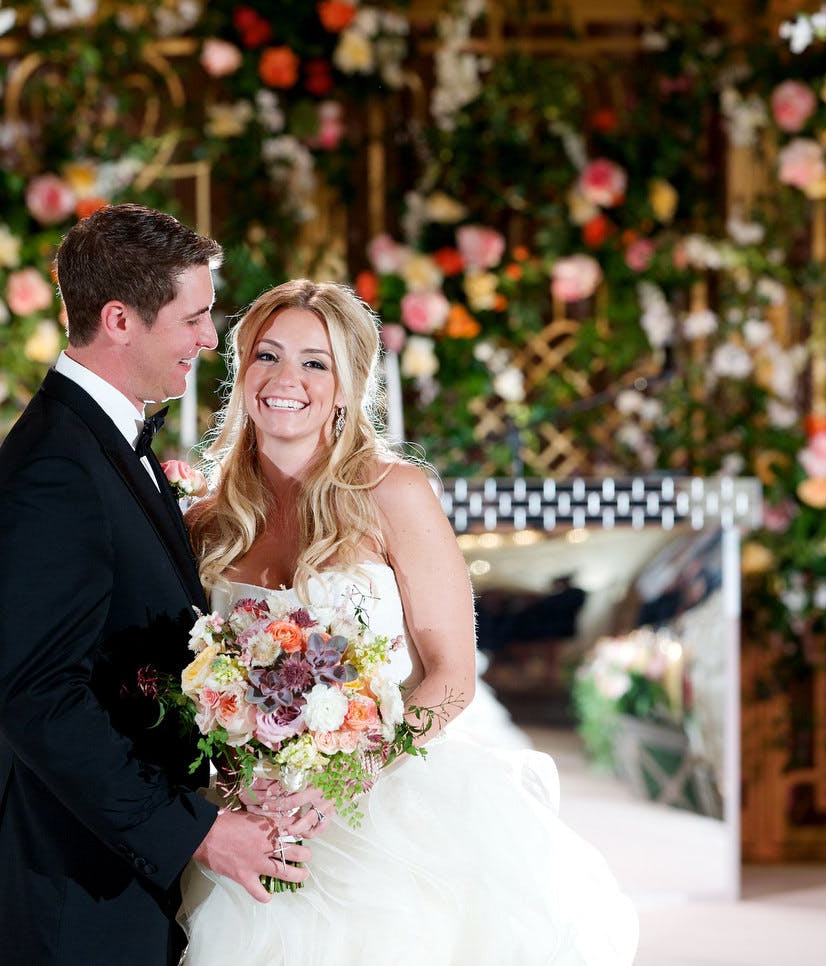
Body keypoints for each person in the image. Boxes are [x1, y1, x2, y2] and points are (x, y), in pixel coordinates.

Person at [179, 279, 639, 964]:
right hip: (251, 808)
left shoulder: (392, 491)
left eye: (316, 362)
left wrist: (341, 780)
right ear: (242, 370)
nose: (286, 379)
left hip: (385, 796)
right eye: (266, 356)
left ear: (347, 385)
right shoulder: (209, 519)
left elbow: (453, 676)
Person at [0, 205, 313, 965]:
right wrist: (198, 832)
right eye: (193, 317)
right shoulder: (55, 468)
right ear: (119, 319)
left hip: (121, 878)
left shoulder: (104, 440)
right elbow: (40, 700)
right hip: (77, 896)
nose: (209, 338)